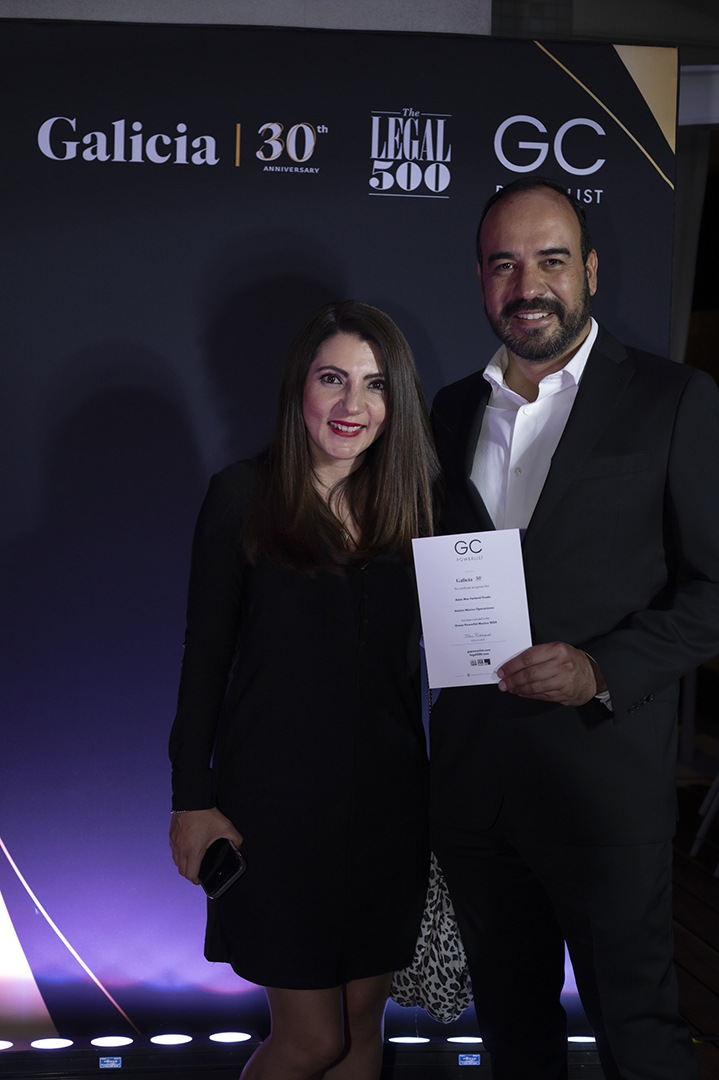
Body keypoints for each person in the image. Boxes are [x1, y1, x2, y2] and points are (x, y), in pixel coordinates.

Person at [429, 176, 719, 1080]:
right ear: (480, 278)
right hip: (477, 792)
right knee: (513, 1043)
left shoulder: (673, 398)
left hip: (603, 789)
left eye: (550, 260)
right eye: (503, 264)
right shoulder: (447, 410)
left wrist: (599, 668)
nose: (528, 286)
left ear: (589, 270)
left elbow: (713, 590)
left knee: (638, 1039)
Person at [169, 299, 439, 1080]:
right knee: (312, 1040)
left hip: (389, 809)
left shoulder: (422, 506)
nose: (353, 405)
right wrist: (191, 799)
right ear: (299, 388)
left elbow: (470, 646)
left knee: (360, 1032)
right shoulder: (241, 496)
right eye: (333, 379)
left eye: (375, 385)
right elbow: (203, 660)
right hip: (276, 813)